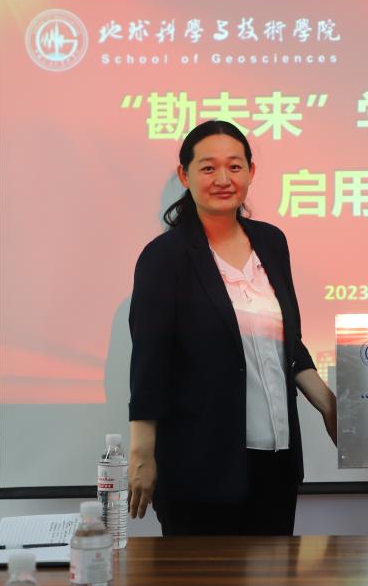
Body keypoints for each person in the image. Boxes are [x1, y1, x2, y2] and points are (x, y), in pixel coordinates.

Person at [126, 120, 337, 536]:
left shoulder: (271, 242)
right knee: (205, 580)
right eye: (208, 168)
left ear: (251, 172)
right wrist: (141, 454)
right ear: (185, 175)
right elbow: (150, 362)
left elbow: (287, 343)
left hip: (275, 461)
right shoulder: (164, 257)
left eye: (235, 166)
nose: (223, 179)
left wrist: (330, 406)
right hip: (199, 466)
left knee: (275, 578)